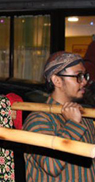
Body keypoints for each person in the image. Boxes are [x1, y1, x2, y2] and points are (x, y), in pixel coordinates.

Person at [23, 51, 95, 181]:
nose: (84, 82)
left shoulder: (85, 116)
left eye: (85, 76)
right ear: (57, 80)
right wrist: (73, 124)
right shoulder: (38, 119)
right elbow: (51, 165)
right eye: (78, 76)